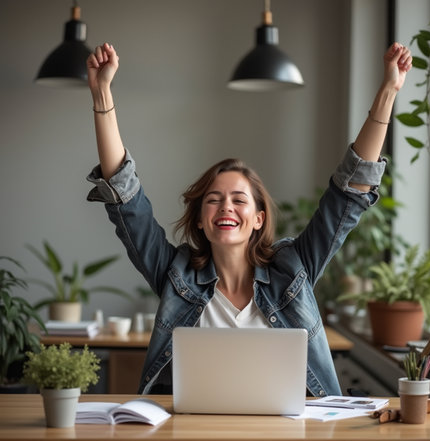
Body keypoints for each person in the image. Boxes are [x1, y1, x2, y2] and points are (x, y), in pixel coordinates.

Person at [86, 42, 412, 397]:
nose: (226, 207)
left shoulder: (293, 268)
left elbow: (349, 193)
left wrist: (389, 91)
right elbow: (125, 198)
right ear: (199, 219)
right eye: (214, 200)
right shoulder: (174, 273)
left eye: (238, 200)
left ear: (258, 219)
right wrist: (102, 94)